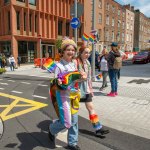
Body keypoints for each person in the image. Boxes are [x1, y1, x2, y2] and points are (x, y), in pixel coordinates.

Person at [49, 39, 81, 150]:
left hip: (74, 96)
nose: (71, 52)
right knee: (66, 123)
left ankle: (72, 143)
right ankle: (52, 129)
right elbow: (57, 85)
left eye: (73, 50)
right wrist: (59, 83)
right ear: (63, 51)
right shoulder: (59, 66)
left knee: (75, 120)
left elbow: (76, 80)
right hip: (63, 96)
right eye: (68, 49)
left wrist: (82, 78)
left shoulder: (74, 64)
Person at [76, 46, 109, 136]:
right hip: (76, 89)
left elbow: (89, 78)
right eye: (85, 53)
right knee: (72, 111)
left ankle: (98, 128)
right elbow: (71, 77)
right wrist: (80, 77)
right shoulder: (75, 62)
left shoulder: (88, 63)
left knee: (91, 108)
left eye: (88, 52)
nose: (87, 54)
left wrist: (91, 89)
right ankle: (60, 124)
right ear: (80, 53)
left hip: (86, 89)